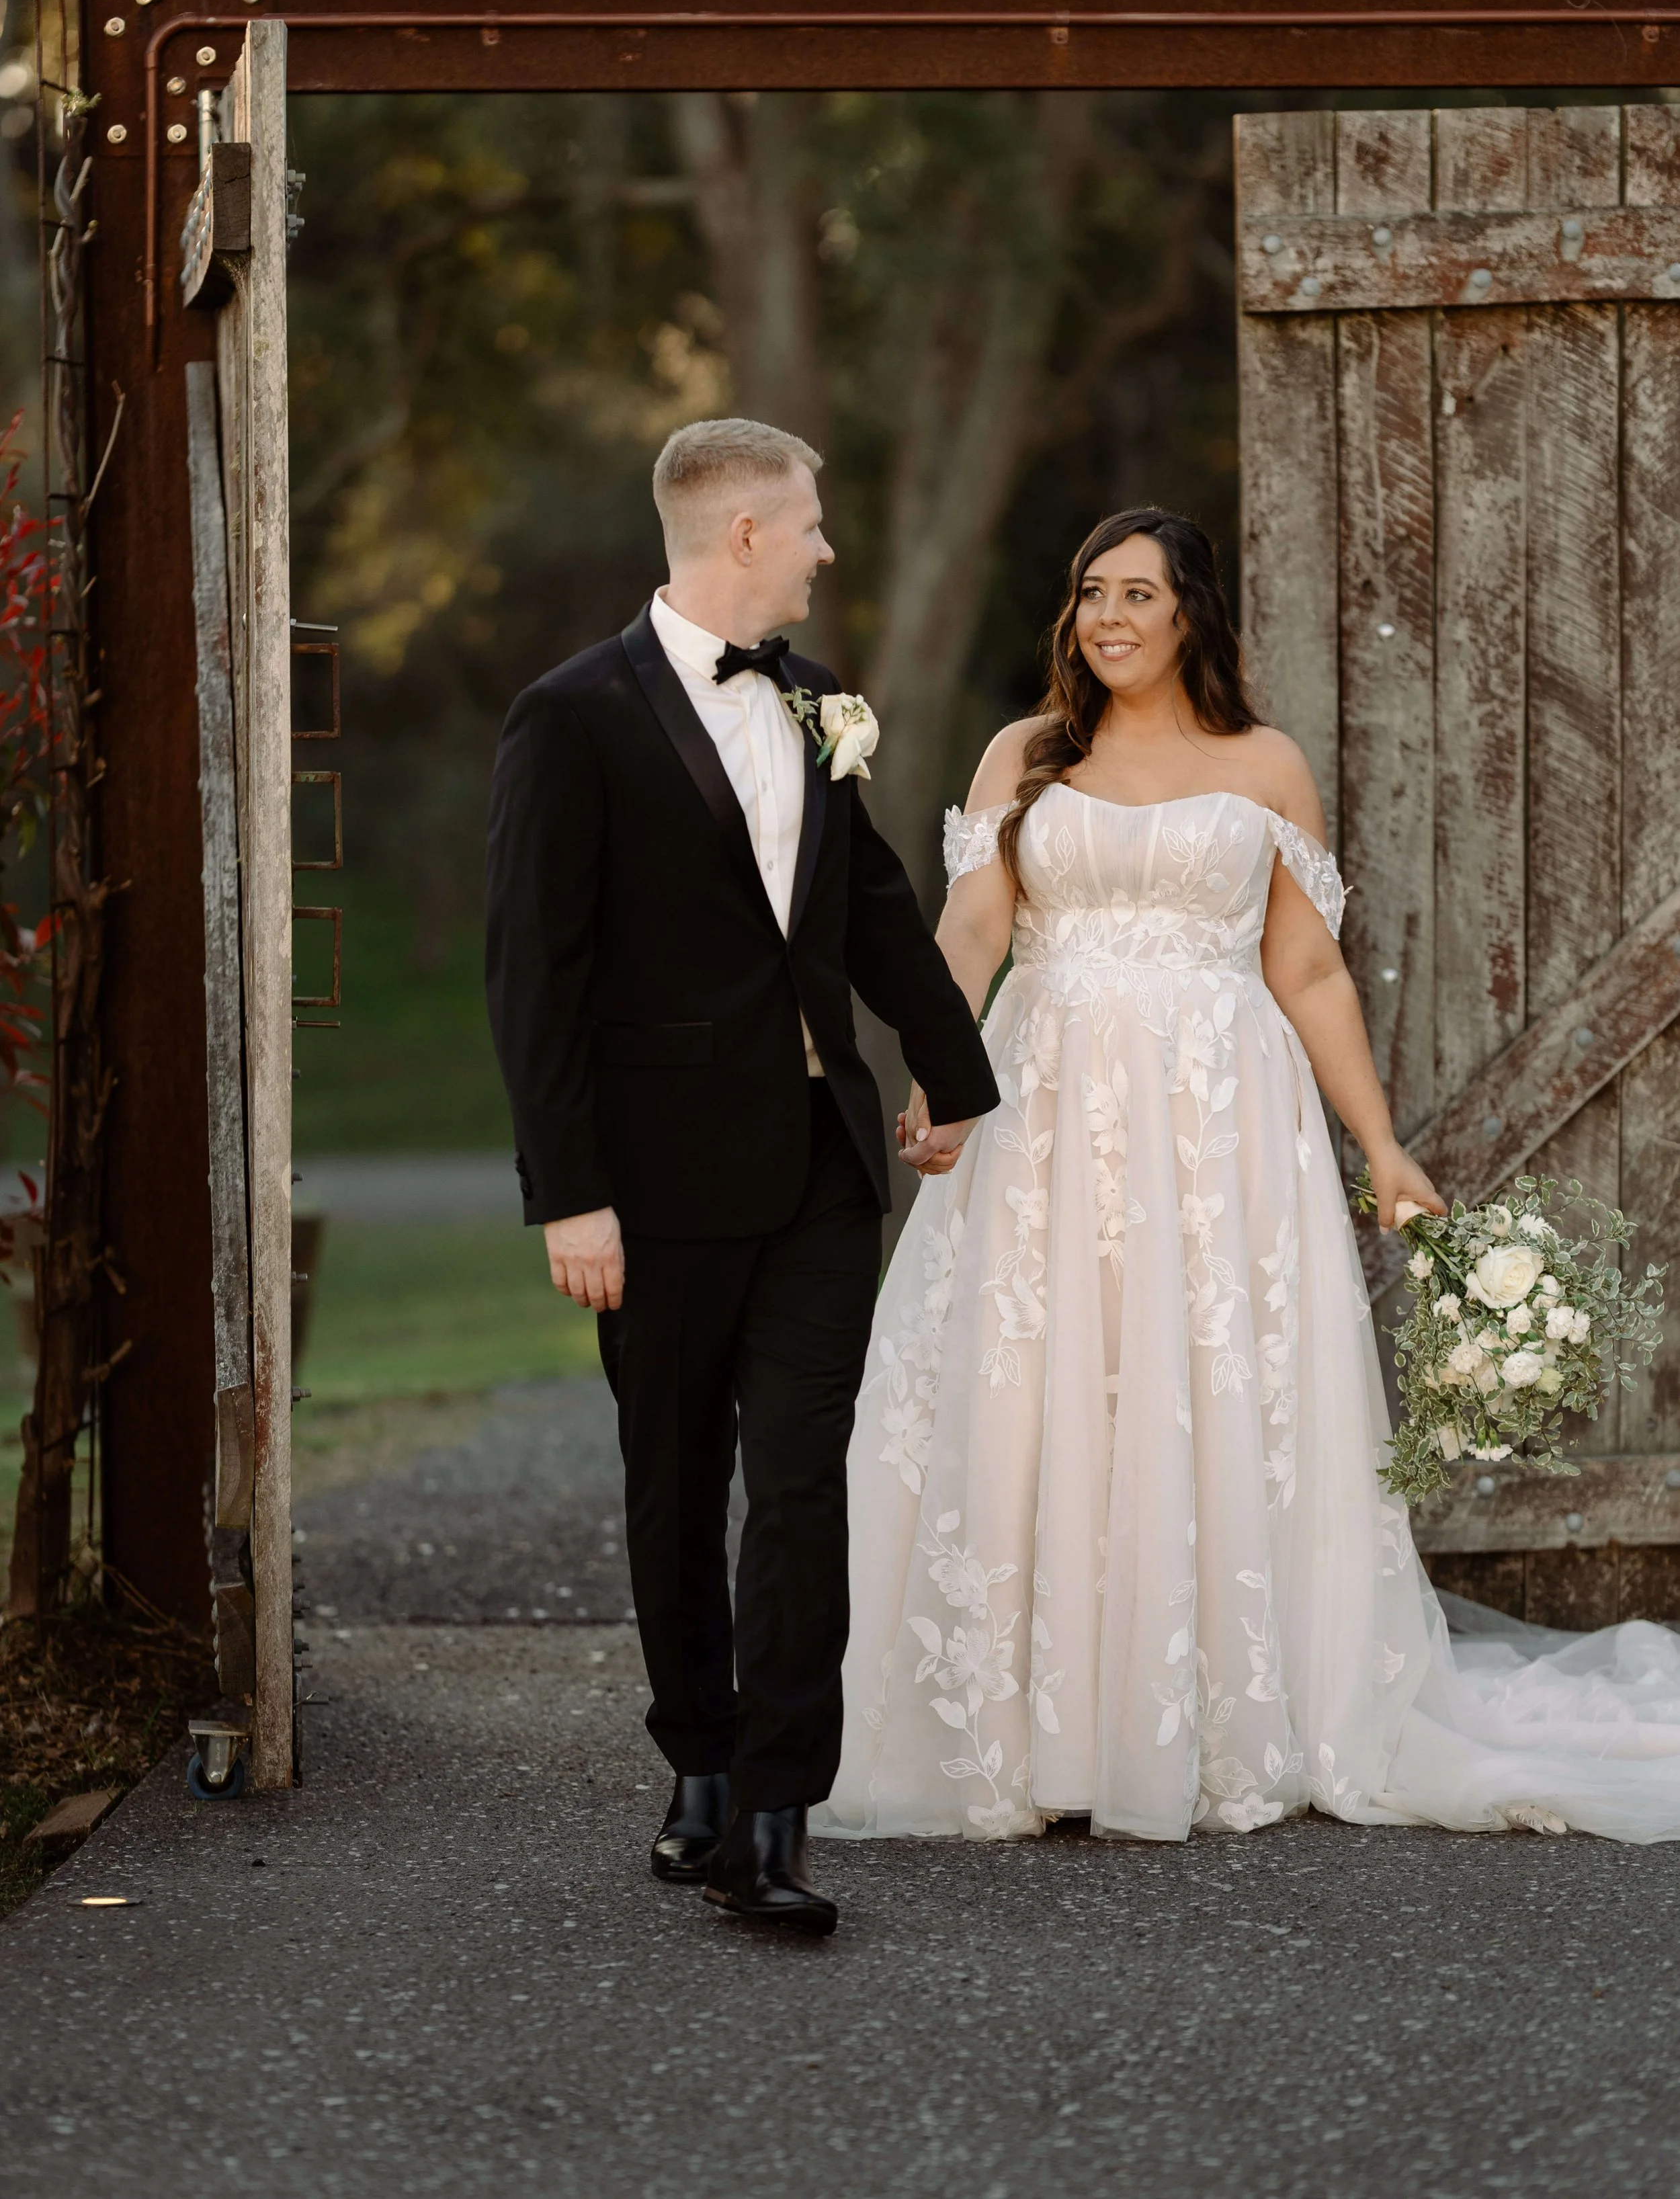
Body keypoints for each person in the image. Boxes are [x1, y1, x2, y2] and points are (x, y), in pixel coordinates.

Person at [817, 507, 1680, 1845]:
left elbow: (1305, 966)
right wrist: (938, 1080)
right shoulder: (1024, 754)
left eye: (1137, 595)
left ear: (1188, 613)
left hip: (1218, 1119)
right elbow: (973, 928)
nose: (1107, 618)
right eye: (1089, 592)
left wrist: (1382, 1146)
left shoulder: (1263, 761)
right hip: (1042, 1104)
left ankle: (1207, 1719)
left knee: (1193, 1392)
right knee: (1035, 1390)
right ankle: (1028, 1730)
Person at [485, 417, 998, 1933]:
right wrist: (568, 1192)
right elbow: (534, 978)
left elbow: (876, 903)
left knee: (796, 1486)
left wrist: (955, 1072)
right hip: (649, 1185)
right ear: (743, 536)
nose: (829, 549)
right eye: (814, 526)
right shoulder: (566, 717)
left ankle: (776, 1819)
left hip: (822, 1168)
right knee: (671, 1481)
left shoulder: (822, 701)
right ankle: (696, 1760)